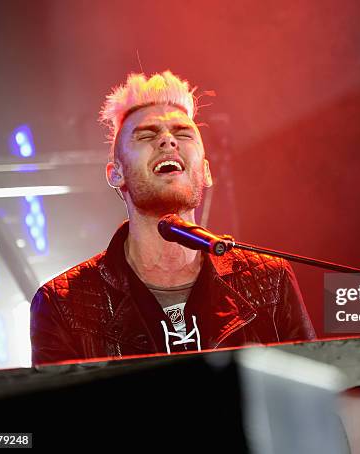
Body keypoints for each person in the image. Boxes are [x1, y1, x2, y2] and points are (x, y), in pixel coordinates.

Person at [30, 70, 316, 365]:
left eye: (183, 133)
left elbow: (315, 399)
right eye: (146, 135)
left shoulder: (269, 280)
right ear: (116, 173)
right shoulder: (63, 303)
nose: (168, 141)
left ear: (205, 172)